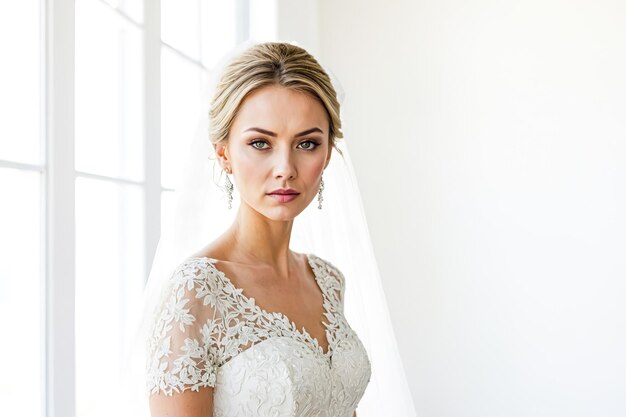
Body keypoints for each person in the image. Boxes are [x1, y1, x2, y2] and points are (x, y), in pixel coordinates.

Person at [133, 41, 416, 417]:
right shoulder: (196, 292)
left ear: (327, 154)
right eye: (260, 143)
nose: (285, 167)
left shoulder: (327, 281)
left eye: (307, 143)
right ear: (224, 154)